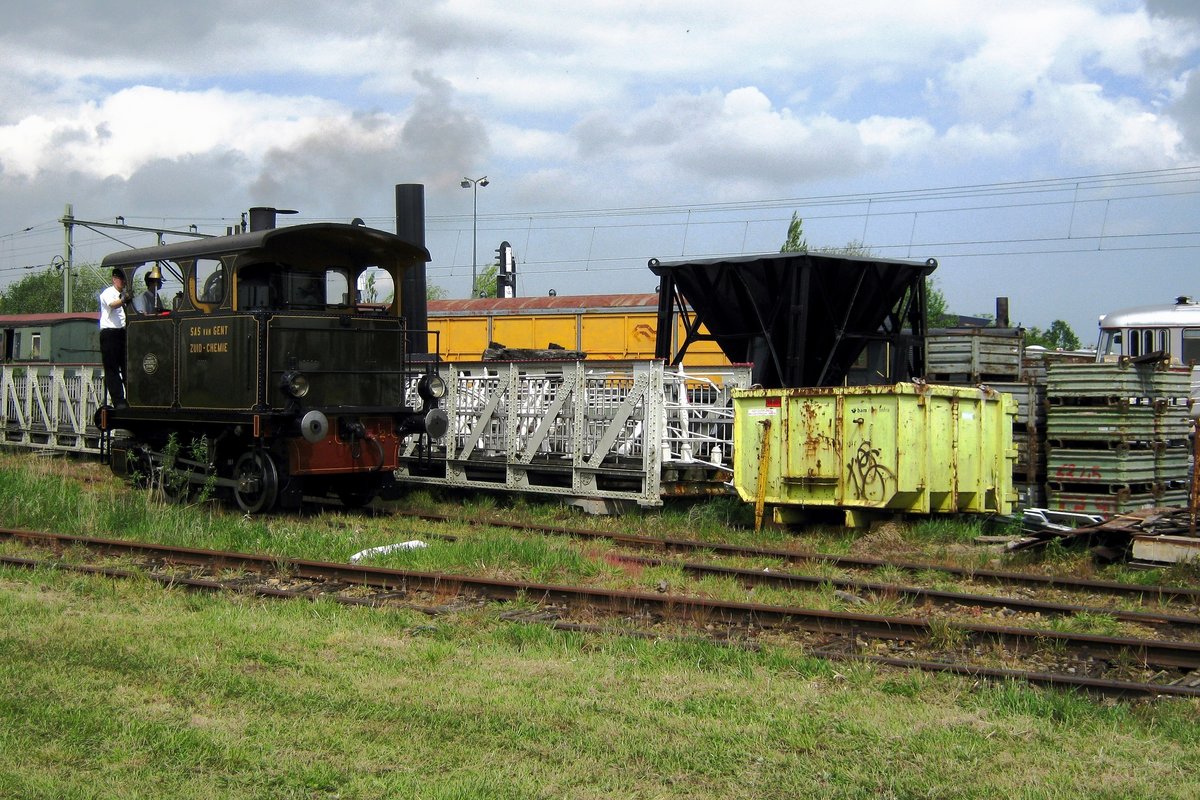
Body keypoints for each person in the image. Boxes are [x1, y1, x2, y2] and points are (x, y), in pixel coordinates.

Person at [99, 267, 131, 408]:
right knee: (112, 369)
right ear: (114, 279)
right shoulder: (108, 293)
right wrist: (125, 298)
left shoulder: (122, 294)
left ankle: (130, 397)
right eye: (121, 279)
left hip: (121, 333)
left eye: (124, 279)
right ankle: (118, 400)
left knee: (125, 366)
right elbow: (113, 304)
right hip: (110, 334)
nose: (123, 282)